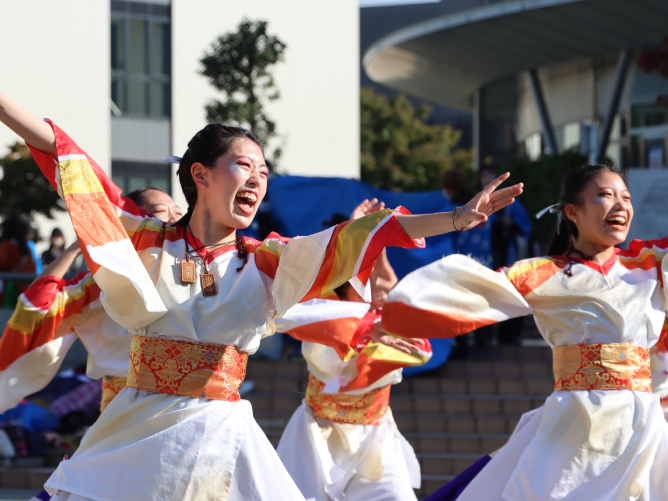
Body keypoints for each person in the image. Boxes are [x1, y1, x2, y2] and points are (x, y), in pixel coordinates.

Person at [0, 91, 521, 501]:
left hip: (220, 433)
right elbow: (66, 157)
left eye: (264, 172)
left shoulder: (266, 261)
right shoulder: (144, 240)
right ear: (200, 174)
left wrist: (458, 218)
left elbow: (368, 234)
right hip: (135, 425)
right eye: (244, 166)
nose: (258, 179)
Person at [382, 163, 668, 500]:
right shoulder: (545, 274)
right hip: (579, 426)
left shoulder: (650, 263)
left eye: (626, 197)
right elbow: (464, 294)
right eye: (606, 195)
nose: (621, 204)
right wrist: (393, 298)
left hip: (643, 426)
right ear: (573, 212)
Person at [275, 208, 429, 501]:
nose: (379, 279)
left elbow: (419, 347)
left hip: (375, 441)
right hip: (315, 435)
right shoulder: (316, 309)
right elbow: (288, 316)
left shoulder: (389, 312)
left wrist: (375, 236)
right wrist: (355, 232)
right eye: (362, 258)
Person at [0, 216, 36, 306]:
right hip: (26, 291)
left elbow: (2, 264)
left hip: (10, 291)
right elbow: (32, 268)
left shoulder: (7, 246)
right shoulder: (26, 248)